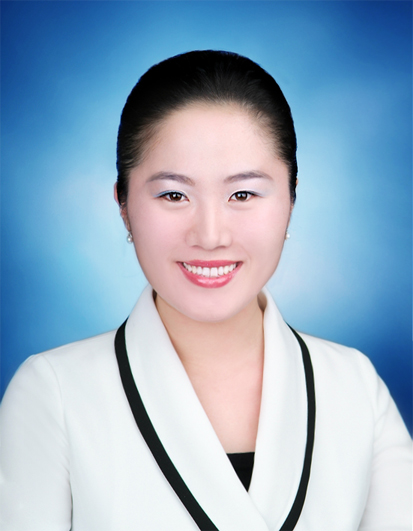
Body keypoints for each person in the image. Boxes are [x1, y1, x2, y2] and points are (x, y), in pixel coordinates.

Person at [0, 50, 411, 531]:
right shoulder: (54, 393)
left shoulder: (354, 386)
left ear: (292, 198)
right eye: (174, 195)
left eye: (243, 194)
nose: (211, 235)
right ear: (123, 205)